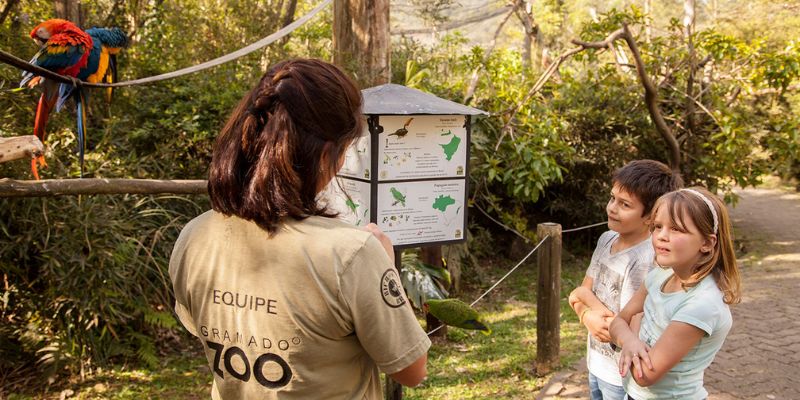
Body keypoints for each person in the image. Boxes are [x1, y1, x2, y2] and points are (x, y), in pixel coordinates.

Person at [168, 59, 430, 399]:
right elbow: (411, 370)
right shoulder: (353, 254)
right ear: (325, 156)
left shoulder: (194, 236)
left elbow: (203, 329)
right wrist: (387, 264)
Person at [609, 187, 741, 400]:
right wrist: (631, 340)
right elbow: (617, 323)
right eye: (657, 226)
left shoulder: (701, 304)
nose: (661, 236)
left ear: (707, 243)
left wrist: (631, 326)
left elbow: (644, 375)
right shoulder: (661, 275)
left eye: (676, 229)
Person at [568, 160, 683, 400]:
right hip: (596, 362)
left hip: (620, 376)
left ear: (650, 216)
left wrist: (585, 303)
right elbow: (582, 291)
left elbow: (630, 330)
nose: (612, 208)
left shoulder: (648, 259)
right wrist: (586, 315)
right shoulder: (607, 239)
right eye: (612, 199)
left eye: (625, 204)